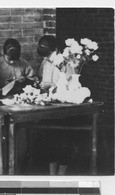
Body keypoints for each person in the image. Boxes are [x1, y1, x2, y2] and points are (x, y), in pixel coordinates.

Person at [35, 35, 76, 175]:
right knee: (49, 142)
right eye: (43, 57)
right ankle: (53, 176)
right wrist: (38, 83)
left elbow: (71, 87)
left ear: (56, 50)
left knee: (63, 144)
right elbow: (41, 77)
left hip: (63, 109)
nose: (46, 59)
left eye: (48, 55)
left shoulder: (67, 63)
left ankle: (61, 176)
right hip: (48, 106)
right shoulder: (45, 62)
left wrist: (50, 84)